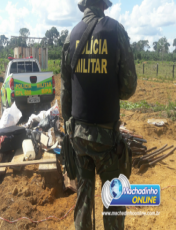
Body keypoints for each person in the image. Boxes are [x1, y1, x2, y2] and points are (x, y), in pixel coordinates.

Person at [61, 0, 137, 230]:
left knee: (83, 197)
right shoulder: (116, 31)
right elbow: (129, 87)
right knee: (114, 201)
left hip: (79, 137)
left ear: (83, 5)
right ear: (104, 5)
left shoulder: (70, 36)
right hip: (106, 139)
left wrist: (69, 128)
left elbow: (66, 91)